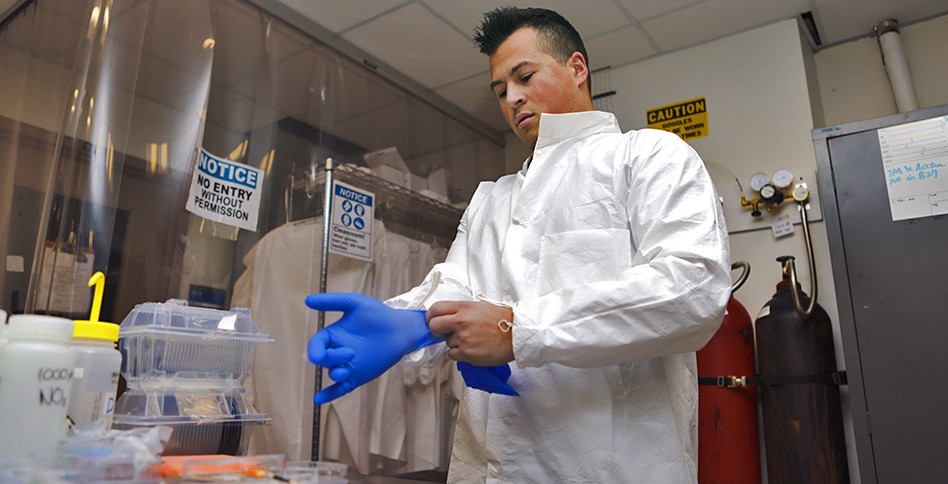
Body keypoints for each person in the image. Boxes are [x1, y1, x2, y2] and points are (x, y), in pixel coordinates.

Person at [305, 7, 730, 482]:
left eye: (524, 76)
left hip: (610, 464)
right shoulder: (492, 197)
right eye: (500, 90)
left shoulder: (648, 156)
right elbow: (456, 286)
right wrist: (410, 321)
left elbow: (692, 290)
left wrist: (517, 330)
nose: (512, 98)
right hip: (488, 464)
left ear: (577, 67)